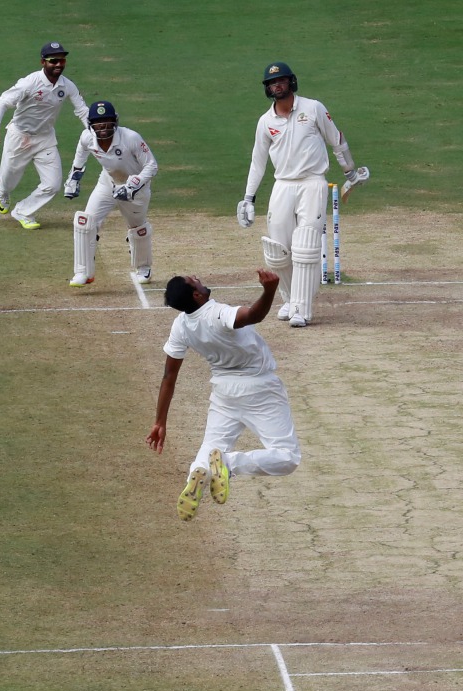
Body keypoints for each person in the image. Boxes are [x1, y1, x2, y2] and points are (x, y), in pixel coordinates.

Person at [145, 271, 302, 522]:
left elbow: (169, 376)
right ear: (197, 295)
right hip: (260, 389)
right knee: (287, 457)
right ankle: (230, 464)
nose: (196, 277)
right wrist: (270, 290)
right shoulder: (217, 313)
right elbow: (254, 315)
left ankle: (198, 472)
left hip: (223, 393)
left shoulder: (181, 325)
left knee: (211, 447)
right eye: (193, 280)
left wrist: (160, 422)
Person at [237, 61, 370, 328]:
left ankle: (302, 309)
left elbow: (337, 140)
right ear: (268, 88)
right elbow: (257, 162)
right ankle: (289, 298)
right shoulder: (265, 122)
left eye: (281, 81)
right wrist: (248, 198)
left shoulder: (313, 108)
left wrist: (350, 172)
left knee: (306, 246)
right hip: (282, 185)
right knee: (277, 249)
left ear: (291, 82)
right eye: (272, 83)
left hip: (313, 182)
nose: (277, 85)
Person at [0, 41, 89, 230]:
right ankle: (1, 191)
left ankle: (23, 212)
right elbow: (3, 101)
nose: (59, 64)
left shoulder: (67, 86)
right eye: (54, 61)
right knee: (9, 180)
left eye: (62, 60)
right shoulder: (29, 83)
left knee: (53, 184)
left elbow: (82, 111)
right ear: (43, 62)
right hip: (19, 136)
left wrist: (95, 132)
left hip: (45, 139)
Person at [62, 100, 159, 287]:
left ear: (115, 121)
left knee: (138, 228)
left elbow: (152, 166)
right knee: (86, 222)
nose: (103, 126)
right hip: (107, 183)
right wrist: (73, 180)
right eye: (98, 122)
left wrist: (133, 185)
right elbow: (80, 157)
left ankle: (143, 268)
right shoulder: (87, 138)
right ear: (91, 124)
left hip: (136, 189)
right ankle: (83, 272)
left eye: (106, 121)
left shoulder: (131, 138)